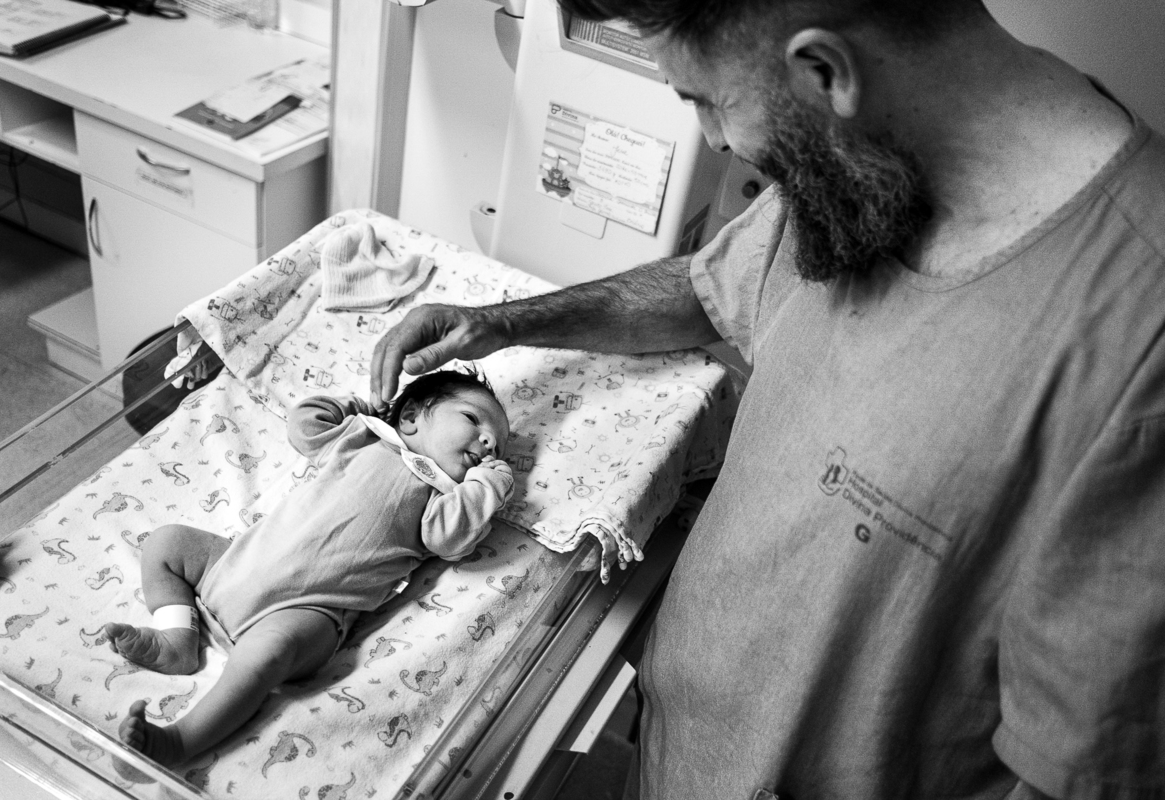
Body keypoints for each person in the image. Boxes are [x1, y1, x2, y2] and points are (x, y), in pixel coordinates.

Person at [368, 1, 1165, 798]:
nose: (715, 140)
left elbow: (1072, 776)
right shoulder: (865, 159)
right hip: (681, 748)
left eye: (705, 102)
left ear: (824, 72)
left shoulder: (1135, 336)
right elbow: (706, 287)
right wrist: (502, 323)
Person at [103, 369, 513, 767]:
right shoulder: (361, 438)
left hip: (308, 611)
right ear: (409, 417)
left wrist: (486, 485)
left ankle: (178, 740)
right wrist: (360, 406)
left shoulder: (442, 497)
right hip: (236, 564)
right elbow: (304, 425)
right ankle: (178, 638)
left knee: (269, 655)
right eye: (473, 419)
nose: (489, 441)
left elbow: (449, 539)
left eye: (497, 446)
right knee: (167, 542)